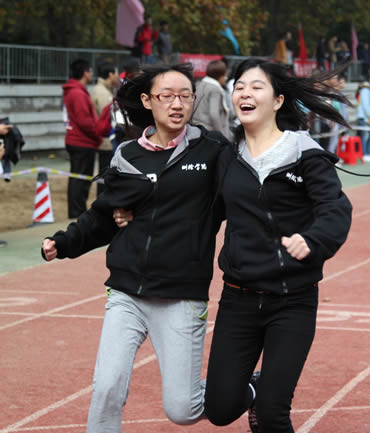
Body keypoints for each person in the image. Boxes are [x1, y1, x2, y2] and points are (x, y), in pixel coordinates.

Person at [42, 63, 229, 433]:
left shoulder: (213, 150)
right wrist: (62, 242)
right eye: (167, 96)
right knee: (106, 388)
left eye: (185, 96)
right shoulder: (127, 154)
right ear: (147, 100)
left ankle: (246, 389)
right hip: (127, 292)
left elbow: (240, 199)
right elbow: (103, 215)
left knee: (183, 409)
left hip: (180, 295)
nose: (177, 104)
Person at [202, 58, 353, 433]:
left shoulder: (305, 154)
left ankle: (266, 399)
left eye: (256, 87)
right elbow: (200, 212)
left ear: (278, 100)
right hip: (238, 298)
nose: (245, 93)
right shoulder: (226, 156)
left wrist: (313, 240)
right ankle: (254, 388)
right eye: (239, 87)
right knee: (220, 409)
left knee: (272, 415)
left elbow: (335, 208)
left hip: (292, 300)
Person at [62, 58, 102, 218]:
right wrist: (97, 135)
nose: (92, 74)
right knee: (80, 179)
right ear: (86, 73)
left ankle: (77, 211)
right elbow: (84, 121)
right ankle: (77, 212)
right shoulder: (77, 93)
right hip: (82, 141)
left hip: (79, 140)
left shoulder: (75, 91)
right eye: (90, 71)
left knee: (79, 178)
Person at [90, 62, 120, 196]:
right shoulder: (102, 93)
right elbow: (108, 118)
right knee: (105, 180)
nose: (118, 77)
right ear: (110, 75)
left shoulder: (105, 90)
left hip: (107, 141)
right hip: (107, 142)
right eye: (116, 73)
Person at [193, 60, 233, 140]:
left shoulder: (199, 85)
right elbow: (214, 114)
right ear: (220, 75)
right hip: (210, 132)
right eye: (225, 75)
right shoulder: (215, 89)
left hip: (196, 129)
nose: (226, 78)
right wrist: (221, 134)